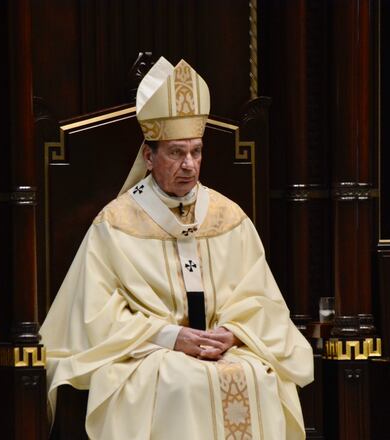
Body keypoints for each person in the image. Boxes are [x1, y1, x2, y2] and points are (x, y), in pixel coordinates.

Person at [39, 57, 313, 440]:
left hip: (223, 349)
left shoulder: (228, 216)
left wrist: (233, 332)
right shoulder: (116, 223)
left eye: (196, 152)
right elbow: (94, 315)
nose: (189, 165)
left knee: (259, 377)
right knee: (181, 384)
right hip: (150, 353)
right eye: (176, 152)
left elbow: (262, 299)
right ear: (149, 157)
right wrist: (171, 337)